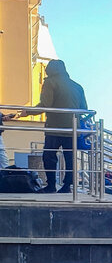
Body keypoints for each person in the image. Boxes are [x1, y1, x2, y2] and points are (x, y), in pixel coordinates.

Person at [27, 59, 87, 193]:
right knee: (70, 159)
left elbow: (45, 104)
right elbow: (84, 108)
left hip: (54, 128)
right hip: (73, 128)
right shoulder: (77, 86)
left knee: (49, 157)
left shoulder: (50, 82)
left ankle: (51, 185)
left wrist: (27, 112)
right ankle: (67, 187)